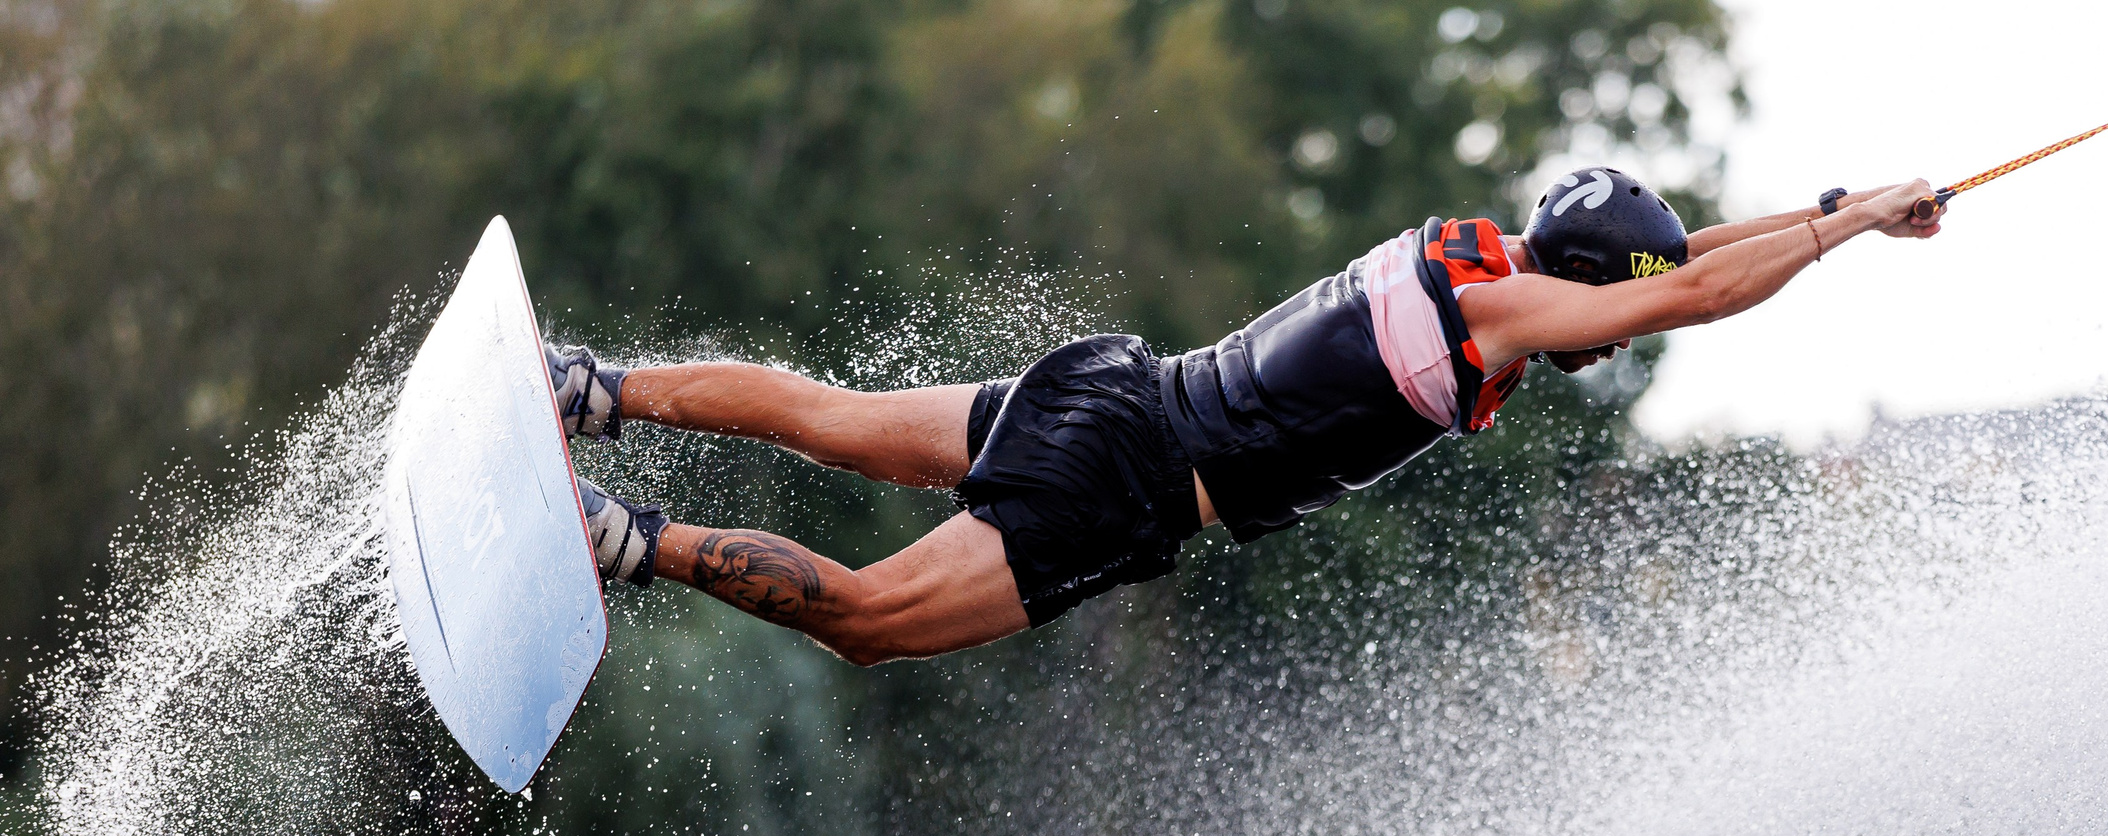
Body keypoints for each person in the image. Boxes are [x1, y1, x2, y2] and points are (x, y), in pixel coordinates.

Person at [554, 169, 1942, 665]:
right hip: (1136, 477)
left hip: (1111, 384)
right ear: (1579, 287)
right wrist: (1855, 231)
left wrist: (1839, 206)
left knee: (828, 414)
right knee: (864, 621)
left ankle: (594, 389)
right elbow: (1685, 298)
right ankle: (621, 540)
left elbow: (1669, 256)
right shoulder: (1505, 318)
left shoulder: (1469, 256)